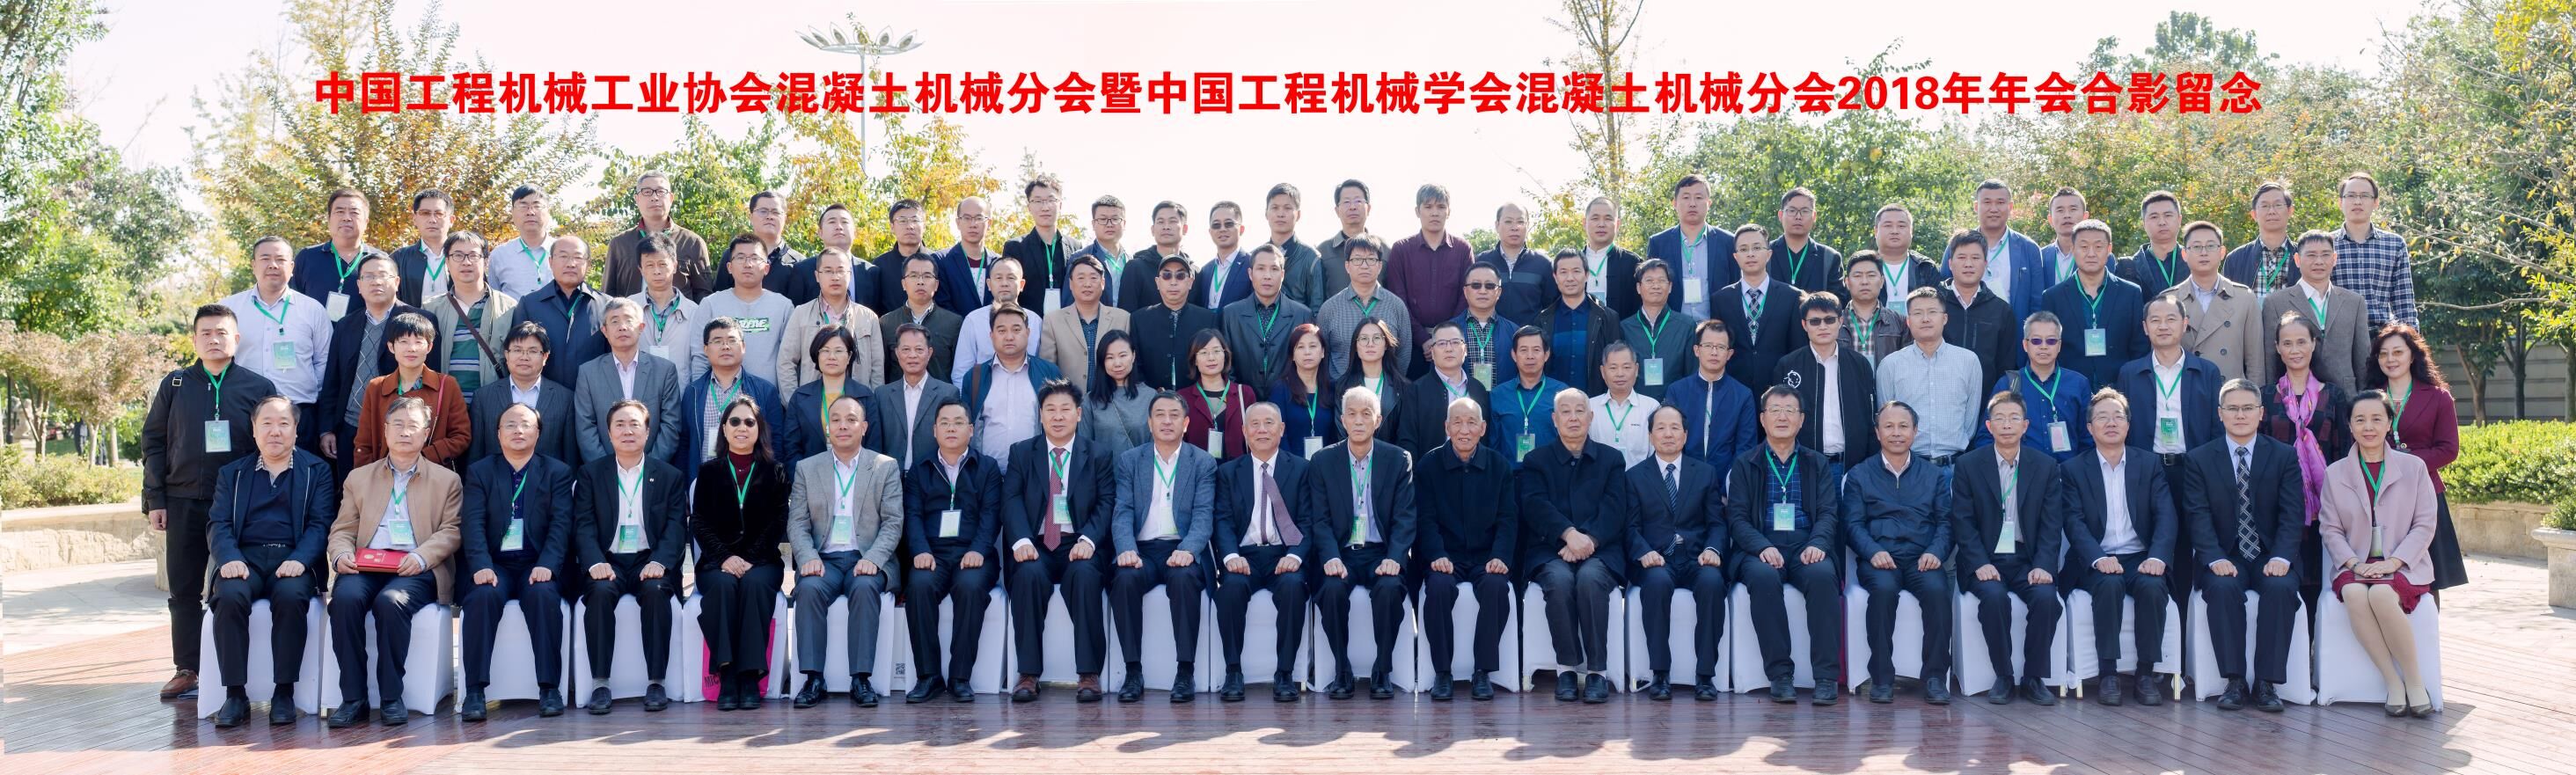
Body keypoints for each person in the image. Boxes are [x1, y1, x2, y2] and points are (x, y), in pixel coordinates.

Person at [144, 304, 280, 701]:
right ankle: (187, 669)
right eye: (205, 333)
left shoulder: (259, 387)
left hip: (239, 505)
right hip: (183, 499)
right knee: (184, 589)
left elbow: (273, 444)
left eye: (221, 332)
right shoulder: (175, 384)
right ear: (194, 340)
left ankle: (238, 673)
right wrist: (156, 498)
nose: (214, 339)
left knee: (235, 588)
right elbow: (154, 442)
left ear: (236, 339)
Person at [323, 397, 462, 727]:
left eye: (413, 426)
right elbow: (342, 529)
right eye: (397, 424)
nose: (404, 432)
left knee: (391, 602)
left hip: (416, 567)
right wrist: (341, 554)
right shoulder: (359, 478)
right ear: (384, 431)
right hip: (366, 565)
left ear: (426, 434)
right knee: (344, 599)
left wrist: (422, 556)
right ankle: (353, 698)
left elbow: (451, 531)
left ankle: (390, 697)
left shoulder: (447, 481)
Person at [204, 398, 333, 727]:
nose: (275, 431)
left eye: (283, 423)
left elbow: (321, 524)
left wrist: (301, 559)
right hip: (244, 559)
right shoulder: (232, 473)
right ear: (254, 429)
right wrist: (229, 558)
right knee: (229, 597)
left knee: (291, 596)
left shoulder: (316, 471)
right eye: (267, 423)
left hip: (292, 558)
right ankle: (235, 695)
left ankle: (284, 692)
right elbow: (218, 523)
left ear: (296, 429)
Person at [2178, 378, 2306, 712]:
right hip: (2224, 554)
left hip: (2269, 554)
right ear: (2220, 413)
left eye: (2247, 408)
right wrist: (2213, 557)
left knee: (2281, 588)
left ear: (2261, 413)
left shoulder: (2284, 456)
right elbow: (2197, 515)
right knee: (2222, 588)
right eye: (2232, 409)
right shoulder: (2199, 459)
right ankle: (2234, 681)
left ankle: (2266, 683)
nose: (2240, 415)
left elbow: (2293, 514)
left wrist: (2282, 557)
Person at [2319, 390, 2441, 718]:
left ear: (2389, 423)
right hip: (2355, 562)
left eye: (2377, 419)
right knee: (2355, 594)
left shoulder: (2414, 467)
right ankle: (2393, 682)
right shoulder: (2335, 473)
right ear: (2350, 426)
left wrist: (2394, 562)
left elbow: (2425, 523)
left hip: (2403, 563)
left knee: (2382, 595)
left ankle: (2414, 682)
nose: (2368, 427)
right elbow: (2330, 529)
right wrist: (2355, 563)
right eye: (2360, 420)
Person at [787, 394, 905, 709]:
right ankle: (813, 679)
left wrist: (873, 559)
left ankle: (861, 679)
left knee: (865, 588)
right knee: (808, 589)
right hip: (823, 560)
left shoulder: (884, 467)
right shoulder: (807, 468)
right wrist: (808, 557)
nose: (843, 426)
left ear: (863, 427)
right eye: (836, 420)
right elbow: (797, 523)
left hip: (865, 558)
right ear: (827, 427)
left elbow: (893, 522)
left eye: (851, 420)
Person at [457, 402, 574, 720]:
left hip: (537, 562)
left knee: (543, 595)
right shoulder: (480, 471)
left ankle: (549, 688)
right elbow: (472, 523)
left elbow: (561, 524)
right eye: (510, 425)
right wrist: (481, 565)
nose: (518, 430)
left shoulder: (557, 472)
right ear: (498, 434)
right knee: (482, 596)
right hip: (494, 563)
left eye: (525, 425)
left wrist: (548, 564)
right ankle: (475, 692)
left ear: (538, 433)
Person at [1519, 388, 1637, 704]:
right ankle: (1567, 669)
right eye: (1566, 412)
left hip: (1601, 547)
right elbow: (1534, 505)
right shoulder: (1536, 461)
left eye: (1579, 411)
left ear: (1591, 416)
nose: (1573, 418)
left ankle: (1597, 671)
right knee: (1558, 581)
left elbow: (1615, 508)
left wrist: (1589, 539)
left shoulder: (1611, 459)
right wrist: (1568, 534)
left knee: (1590, 579)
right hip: (1551, 548)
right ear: (1555, 419)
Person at [2060, 389, 2177, 706]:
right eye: (2102, 417)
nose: (2111, 423)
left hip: (2140, 556)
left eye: (2118, 417)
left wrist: (2158, 557)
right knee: (2109, 585)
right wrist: (2098, 558)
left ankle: (2145, 674)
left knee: (2153, 586)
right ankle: (2108, 674)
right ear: (2090, 427)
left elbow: (2166, 515)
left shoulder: (2148, 464)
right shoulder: (2074, 469)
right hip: (2095, 558)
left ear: (2128, 424)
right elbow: (2073, 522)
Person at [1002, 383, 1117, 702]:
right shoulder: (1022, 453)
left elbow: (1106, 502)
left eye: (1065, 409)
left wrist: (1089, 539)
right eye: (1050, 410)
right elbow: (1011, 499)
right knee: (1027, 575)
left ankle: (1089, 674)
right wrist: (1021, 540)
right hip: (1036, 542)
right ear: (1040, 415)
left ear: (1078, 414)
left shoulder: (1098, 455)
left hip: (1078, 542)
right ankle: (1028, 674)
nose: (1058, 416)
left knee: (1085, 575)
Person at [572, 400, 689, 715]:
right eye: (620, 425)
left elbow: (676, 526)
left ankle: (656, 682)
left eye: (635, 424)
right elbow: (583, 525)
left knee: (655, 591)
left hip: (649, 559)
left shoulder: (669, 475)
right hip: (607, 560)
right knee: (599, 593)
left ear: (648, 432)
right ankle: (600, 684)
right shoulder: (591, 474)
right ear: (609, 433)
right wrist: (595, 562)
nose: (627, 431)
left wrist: (660, 561)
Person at [1729, 386, 1843, 705]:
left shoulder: (1816, 463)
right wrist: (1761, 546)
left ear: (1801, 419)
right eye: (1775, 410)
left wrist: (1818, 543)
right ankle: (1780, 675)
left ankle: (1826, 678)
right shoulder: (1746, 463)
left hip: (1807, 544)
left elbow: (1829, 512)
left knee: (1823, 577)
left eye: (1790, 410)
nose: (1782, 417)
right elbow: (1737, 518)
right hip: (1762, 545)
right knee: (1763, 578)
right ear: (1762, 419)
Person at [1950, 392, 2065, 706]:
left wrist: (2043, 564)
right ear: (1989, 426)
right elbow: (1962, 522)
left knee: (2047, 600)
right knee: (1994, 598)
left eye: (2014, 418)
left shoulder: (2045, 466)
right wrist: (1979, 563)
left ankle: (2033, 677)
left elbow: (2051, 524)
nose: (2007, 425)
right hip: (1986, 559)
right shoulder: (1968, 465)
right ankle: (2003, 676)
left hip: (2028, 559)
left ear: (2025, 426)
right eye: (1999, 419)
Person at [1841, 401, 1957, 705]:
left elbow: (1946, 522)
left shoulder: (1934, 475)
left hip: (1922, 559)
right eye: (1888, 426)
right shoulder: (1859, 475)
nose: (1896, 433)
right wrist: (1873, 551)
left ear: (1915, 432)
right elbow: (1852, 524)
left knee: (1938, 592)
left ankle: (1935, 678)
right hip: (1881, 559)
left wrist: (1936, 552)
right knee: (1882, 592)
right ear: (1877, 432)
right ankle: (1881, 678)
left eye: (1903, 426)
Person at [1306, 386, 1416, 700]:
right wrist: (1330, 556)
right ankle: (1342, 670)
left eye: (1366, 414)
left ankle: (1383, 670)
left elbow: (1405, 517)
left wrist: (1395, 557)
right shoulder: (1323, 461)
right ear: (1342, 420)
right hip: (1341, 553)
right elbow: (1320, 519)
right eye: (1352, 414)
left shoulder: (1398, 459)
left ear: (1378, 421)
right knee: (1331, 589)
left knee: (1390, 588)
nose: (1358, 421)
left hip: (1381, 552)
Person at [1109, 392, 1217, 703]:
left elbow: (1203, 515)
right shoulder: (1130, 460)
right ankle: (1133, 671)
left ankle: (1185, 671)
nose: (1167, 421)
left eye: (1174, 415)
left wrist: (1189, 549)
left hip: (1180, 548)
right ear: (1149, 422)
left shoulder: (1202, 462)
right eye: (1160, 415)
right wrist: (1126, 549)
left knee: (1184, 579)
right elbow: (1123, 511)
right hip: (1141, 550)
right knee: (1124, 579)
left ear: (1186, 423)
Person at [1206, 402, 1314, 702]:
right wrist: (1230, 556)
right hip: (1245, 556)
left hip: (1285, 553)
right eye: (1254, 424)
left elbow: (1309, 520)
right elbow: (1222, 520)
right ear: (1244, 431)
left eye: (1269, 423)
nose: (1262, 430)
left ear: (1282, 429)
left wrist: (1295, 555)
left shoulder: (1302, 469)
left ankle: (1285, 673)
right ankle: (1233, 671)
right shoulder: (1228, 472)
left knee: (1293, 588)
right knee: (1230, 590)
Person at [1416, 398, 1519, 701]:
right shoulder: (1428, 466)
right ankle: (1442, 673)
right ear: (1446, 427)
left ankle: (1482, 672)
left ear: (1483, 428)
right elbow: (1425, 519)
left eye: (1471, 422)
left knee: (1496, 587)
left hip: (1486, 556)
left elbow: (1508, 519)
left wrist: (1500, 556)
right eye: (1457, 423)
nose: (1464, 430)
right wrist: (1436, 555)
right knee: (1438, 588)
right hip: (1445, 556)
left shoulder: (1499, 466)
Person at [691, 398, 789, 710]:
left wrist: (750, 559)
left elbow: (779, 522)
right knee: (722, 586)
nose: (742, 427)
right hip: (716, 562)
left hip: (762, 562)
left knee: (754, 585)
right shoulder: (708, 472)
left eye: (749, 422)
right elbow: (699, 522)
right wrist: (725, 558)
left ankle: (750, 675)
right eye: (735, 421)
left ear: (759, 429)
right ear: (724, 429)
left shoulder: (776, 471)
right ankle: (727, 673)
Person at [902, 400, 1004, 703]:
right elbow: (912, 515)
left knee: (970, 587)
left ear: (971, 430)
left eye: (958, 422)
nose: (951, 428)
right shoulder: (920, 469)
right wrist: (920, 550)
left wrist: (979, 549)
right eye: (944, 423)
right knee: (918, 586)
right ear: (934, 430)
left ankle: (960, 677)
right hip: (932, 553)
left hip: (973, 553)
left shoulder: (987, 468)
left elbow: (991, 515)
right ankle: (929, 676)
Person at [1626, 405, 1728, 702]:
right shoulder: (1634, 476)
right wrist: (1643, 552)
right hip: (1657, 559)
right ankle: (1660, 673)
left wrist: (1713, 549)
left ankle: (1705, 675)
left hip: (1697, 557)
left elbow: (1717, 523)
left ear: (1685, 435)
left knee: (1712, 582)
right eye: (1660, 428)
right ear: (1650, 436)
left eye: (1674, 428)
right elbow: (1629, 527)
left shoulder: (1705, 473)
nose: (1668, 434)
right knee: (1656, 584)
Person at [2363, 324, 2465, 590]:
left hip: (2424, 491)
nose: (2391, 359)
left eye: (2398, 352)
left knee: (2429, 579)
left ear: (2412, 355)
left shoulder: (2439, 397)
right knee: (2383, 576)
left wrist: (2407, 463)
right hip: (2379, 493)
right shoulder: (2368, 397)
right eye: (2383, 354)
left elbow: (2449, 449)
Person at [318, 254, 434, 478]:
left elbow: (431, 378)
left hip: (400, 429)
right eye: (369, 277)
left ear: (397, 282)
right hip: (351, 426)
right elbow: (333, 379)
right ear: (359, 285)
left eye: (383, 275)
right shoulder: (345, 325)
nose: (376, 282)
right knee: (354, 490)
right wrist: (327, 428)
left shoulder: (420, 321)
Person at [2263, 314, 2353, 597]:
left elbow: (2343, 451)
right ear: (2277, 348)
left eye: (2301, 342)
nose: (2295, 350)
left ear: (2314, 344)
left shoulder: (2334, 396)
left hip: (2325, 502)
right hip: (2279, 503)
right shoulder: (2265, 397)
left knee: (2320, 583)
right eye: (2287, 343)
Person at [223, 237, 332, 452]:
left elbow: (324, 361)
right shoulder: (229, 309)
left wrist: (311, 397)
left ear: (292, 267)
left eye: (280, 259)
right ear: (253, 265)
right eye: (265, 259)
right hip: (245, 413)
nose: (273, 265)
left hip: (299, 414)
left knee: (299, 473)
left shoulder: (313, 309)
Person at [2116, 296, 2225, 506]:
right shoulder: (2129, 374)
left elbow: (2217, 427)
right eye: (2155, 320)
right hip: (2147, 470)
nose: (2163, 326)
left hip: (2195, 470)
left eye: (2171, 319)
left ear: (2184, 324)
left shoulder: (2207, 372)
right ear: (2145, 328)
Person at [1775, 292, 1879, 481]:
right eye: (1815, 321)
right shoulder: (1788, 365)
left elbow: (1871, 418)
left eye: (1829, 320)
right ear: (1804, 325)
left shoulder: (1860, 365)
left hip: (1852, 468)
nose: (1823, 326)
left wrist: (1869, 465)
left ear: (1840, 321)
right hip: (1801, 467)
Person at [1877, 288, 1983, 466]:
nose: (1925, 319)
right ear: (1908, 321)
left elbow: (1970, 422)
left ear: (1945, 318)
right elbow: (1886, 420)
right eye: (1918, 313)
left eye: (1932, 312)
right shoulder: (1890, 365)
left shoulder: (1968, 361)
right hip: (1909, 467)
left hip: (1955, 466)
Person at [352, 312, 472, 468]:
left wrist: (424, 457)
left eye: (419, 342)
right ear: (391, 347)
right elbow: (364, 442)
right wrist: (368, 475)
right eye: (404, 341)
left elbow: (461, 436)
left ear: (429, 347)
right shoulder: (376, 387)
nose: (412, 348)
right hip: (384, 472)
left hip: (430, 472)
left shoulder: (447, 385)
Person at [2039, 219, 2149, 389]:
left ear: (2109, 249)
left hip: (2120, 389)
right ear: (2073, 249)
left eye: (2098, 247)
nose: (2091, 253)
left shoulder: (2131, 293)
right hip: (2069, 389)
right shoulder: (2053, 297)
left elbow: (2139, 347)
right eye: (2084, 247)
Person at [2261, 230, 2375, 395]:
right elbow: (2270, 358)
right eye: (2311, 255)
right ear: (2297, 260)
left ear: (2334, 259)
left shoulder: (2354, 302)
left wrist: (2364, 397)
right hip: (2293, 396)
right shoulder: (2276, 302)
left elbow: (2362, 357)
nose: (2319, 261)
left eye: (2325, 255)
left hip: (2345, 394)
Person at [574, 299, 684, 465]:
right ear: (604, 331)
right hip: (604, 470)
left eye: (628, 320)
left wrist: (649, 467)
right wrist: (606, 469)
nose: (622, 327)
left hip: (653, 469)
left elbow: (671, 425)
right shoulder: (588, 372)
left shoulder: (664, 371)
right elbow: (585, 427)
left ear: (641, 327)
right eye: (615, 321)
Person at [673, 318, 786, 481]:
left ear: (743, 347)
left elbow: (775, 442)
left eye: (732, 341)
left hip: (749, 484)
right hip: (703, 482)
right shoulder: (694, 392)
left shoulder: (765, 391)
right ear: (706, 349)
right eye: (717, 341)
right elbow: (684, 443)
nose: (725, 346)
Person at [2158, 221, 2265, 383]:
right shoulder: (2169, 300)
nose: (2204, 253)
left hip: (2231, 393)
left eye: (2210, 246)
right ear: (2184, 254)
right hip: (2185, 389)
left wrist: (2255, 395)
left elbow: (2255, 362)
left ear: (2222, 252)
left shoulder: (2244, 298)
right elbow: (2160, 355)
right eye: (2196, 247)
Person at [1977, 311, 2093, 461]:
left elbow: (2088, 438)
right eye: (2036, 341)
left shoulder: (2078, 384)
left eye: (2051, 341)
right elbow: (1986, 436)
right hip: (2022, 471)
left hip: (2067, 471)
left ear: (2059, 345)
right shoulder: (2008, 383)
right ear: (2025, 345)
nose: (2043, 346)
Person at [961, 307, 1061, 464]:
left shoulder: (1049, 373)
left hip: (1035, 470)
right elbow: (965, 426)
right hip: (987, 472)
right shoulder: (974, 376)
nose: (1009, 337)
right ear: (991, 336)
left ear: (1028, 333)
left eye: (1016, 330)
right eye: (1002, 331)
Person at [509, 235, 608, 391]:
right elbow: (518, 353)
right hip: (543, 396)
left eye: (578, 257)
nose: (571, 263)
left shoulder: (606, 305)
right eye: (563, 256)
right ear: (550, 262)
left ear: (588, 264)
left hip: (592, 395)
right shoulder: (529, 304)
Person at [424, 231, 516, 400]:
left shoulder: (509, 308)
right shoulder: (431, 309)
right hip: (445, 405)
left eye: (473, 255)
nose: (466, 262)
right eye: (458, 255)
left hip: (493, 403)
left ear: (486, 262)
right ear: (447, 262)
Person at [777, 248, 884, 390]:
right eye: (828, 271)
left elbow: (877, 369)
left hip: (857, 400)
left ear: (850, 275)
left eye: (841, 270)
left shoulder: (868, 317)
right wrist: (796, 401)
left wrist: (871, 401)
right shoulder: (801, 313)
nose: (835, 277)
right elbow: (786, 363)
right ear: (817, 276)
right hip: (813, 400)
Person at [1386, 185, 1474, 355]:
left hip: (1453, 343)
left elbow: (1467, 295)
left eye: (1441, 207)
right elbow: (1397, 299)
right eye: (1428, 207)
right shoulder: (1401, 250)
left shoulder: (1463, 249)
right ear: (1417, 211)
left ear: (1449, 212)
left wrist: (1444, 339)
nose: (1435, 213)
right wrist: (1422, 339)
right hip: (1410, 343)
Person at [701, 235, 798, 388]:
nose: (748, 264)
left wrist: (787, 398)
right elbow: (700, 357)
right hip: (719, 397)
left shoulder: (784, 307)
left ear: (766, 268)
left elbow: (789, 360)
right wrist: (700, 395)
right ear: (729, 267)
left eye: (755, 258)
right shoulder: (710, 304)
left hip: (769, 397)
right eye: (740, 258)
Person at [1316, 234, 1416, 382]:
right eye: (1357, 260)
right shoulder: (1329, 309)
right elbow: (1323, 354)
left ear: (1380, 266)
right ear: (1347, 266)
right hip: (1341, 391)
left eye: (1371, 259)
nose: (1364, 265)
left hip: (1387, 391)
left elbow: (1404, 353)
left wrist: (1392, 385)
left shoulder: (1396, 306)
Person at [1714, 224, 1803, 390]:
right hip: (1734, 390)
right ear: (1736, 257)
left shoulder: (1792, 297)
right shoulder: (1721, 299)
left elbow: (1797, 349)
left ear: (1768, 254)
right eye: (1743, 249)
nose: (1750, 254)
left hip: (1780, 389)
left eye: (1756, 248)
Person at [602, 171, 714, 300]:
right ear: (637, 199)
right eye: (647, 192)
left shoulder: (692, 242)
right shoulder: (620, 244)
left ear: (671, 198)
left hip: (680, 313)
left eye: (661, 191)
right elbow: (608, 294)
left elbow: (704, 295)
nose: (654, 197)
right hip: (632, 313)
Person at [1665, 320, 1759, 469]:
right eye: (1708, 346)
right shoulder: (1677, 391)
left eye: (1721, 347)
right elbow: (1670, 441)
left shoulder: (1743, 395)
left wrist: (1731, 480)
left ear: (1729, 354)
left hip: (1727, 478)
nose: (1714, 352)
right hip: (1684, 475)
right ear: (1697, 350)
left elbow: (1745, 447)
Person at [289, 188, 395, 317]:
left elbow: (388, 307)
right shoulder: (307, 257)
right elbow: (291, 303)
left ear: (366, 222)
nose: (346, 218)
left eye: (354, 212)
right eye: (340, 212)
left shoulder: (380, 261)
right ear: (329, 219)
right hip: (312, 330)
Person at [2331, 172, 2418, 327]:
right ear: (2340, 202)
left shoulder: (2394, 244)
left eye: (2365, 196)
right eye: (2351, 195)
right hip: (2339, 334)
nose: (2357, 201)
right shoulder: (2325, 245)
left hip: (2382, 334)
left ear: (2376, 202)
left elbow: (2404, 303)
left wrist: (2411, 339)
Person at [1938, 229, 2021, 393]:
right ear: (1950, 263)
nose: (1968, 264)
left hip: (1986, 400)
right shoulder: (1934, 304)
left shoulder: (2001, 310)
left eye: (1975, 258)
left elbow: (2007, 366)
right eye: (1962, 257)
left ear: (1985, 263)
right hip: (1939, 397)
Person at [873, 324, 962, 472]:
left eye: (919, 349)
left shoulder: (948, 393)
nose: (912, 355)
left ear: (929, 353)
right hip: (891, 476)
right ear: (897, 353)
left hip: (932, 475)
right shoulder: (882, 395)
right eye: (906, 349)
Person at [1647, 175, 1738, 319]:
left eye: (1699, 197)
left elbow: (1736, 287)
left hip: (1716, 327)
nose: (1692, 204)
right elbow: (1651, 290)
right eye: (1686, 197)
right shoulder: (1658, 243)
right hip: (1673, 327)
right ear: (1675, 203)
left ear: (1709, 203)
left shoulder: (1728, 242)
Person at [1221, 245, 1312, 389]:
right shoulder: (1231, 314)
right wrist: (1239, 395)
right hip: (1243, 397)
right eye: (1261, 268)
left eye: (1274, 269)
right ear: (1250, 274)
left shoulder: (1302, 314)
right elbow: (1226, 363)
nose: (1267, 276)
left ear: (1282, 275)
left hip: (1289, 396)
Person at [1401, 320, 1497, 456]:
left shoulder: (1478, 389)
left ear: (1465, 350)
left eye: (1455, 342)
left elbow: (1486, 437)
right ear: (1432, 352)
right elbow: (1407, 440)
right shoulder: (1416, 391)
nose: (1449, 349)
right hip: (1432, 467)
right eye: (1441, 343)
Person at [1536, 247, 1622, 394]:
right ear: (1555, 277)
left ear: (1587, 275)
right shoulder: (1543, 320)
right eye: (1563, 272)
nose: (1570, 278)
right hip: (1554, 403)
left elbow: (1617, 363)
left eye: (1576, 271)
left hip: (1596, 401)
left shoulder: (1607, 318)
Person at [1043, 255, 1132, 391]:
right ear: (1071, 284)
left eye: (1093, 278)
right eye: (1081, 278)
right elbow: (1047, 369)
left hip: (1112, 398)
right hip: (1070, 400)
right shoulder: (1053, 321)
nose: (1087, 284)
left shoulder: (1123, 318)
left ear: (1103, 283)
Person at [782, 326, 871, 463]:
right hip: (810, 473)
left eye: (838, 351)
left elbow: (873, 446)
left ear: (849, 356)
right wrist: (802, 475)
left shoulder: (865, 396)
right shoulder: (800, 397)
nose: (831, 357)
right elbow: (791, 448)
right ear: (817, 355)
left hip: (857, 473)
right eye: (825, 351)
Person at [1133, 253, 1222, 390]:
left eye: (1180, 276)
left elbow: (1215, 362)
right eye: (1167, 276)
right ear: (1157, 282)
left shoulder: (1208, 319)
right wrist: (1149, 394)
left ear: (1190, 282)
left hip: (1197, 397)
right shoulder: (1139, 319)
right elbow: (1135, 365)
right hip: (1151, 399)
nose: (1173, 282)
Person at [953, 258, 1046, 385]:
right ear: (989, 284)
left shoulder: (1035, 321)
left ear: (1022, 284)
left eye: (1011, 278)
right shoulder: (973, 320)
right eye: (998, 278)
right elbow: (961, 373)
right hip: (984, 394)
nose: (1004, 283)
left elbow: (1042, 369)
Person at [627, 234, 709, 380]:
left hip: (681, 390)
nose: (657, 271)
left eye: (662, 264)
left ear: (675, 266)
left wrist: (694, 391)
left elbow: (700, 360)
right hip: (638, 391)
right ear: (641, 270)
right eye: (650, 265)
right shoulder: (629, 308)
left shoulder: (694, 312)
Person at [1493, 325, 1575, 468]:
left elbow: (1570, 438)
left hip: (1551, 474)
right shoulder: (1498, 394)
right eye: (1523, 350)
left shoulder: (1562, 392)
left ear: (1546, 355)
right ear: (1514, 355)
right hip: (1510, 476)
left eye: (1536, 350)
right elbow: (1493, 443)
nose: (1530, 356)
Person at [1622, 259, 1704, 401]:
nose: (1656, 286)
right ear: (1638, 288)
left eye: (1661, 281)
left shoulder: (1686, 326)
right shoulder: (1625, 328)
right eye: (1649, 281)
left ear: (1670, 287)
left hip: (1675, 406)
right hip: (1635, 407)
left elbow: (1692, 375)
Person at [1969, 179, 2049, 321]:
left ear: (2010, 207)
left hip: (2014, 330)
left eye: (2000, 202)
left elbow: (2037, 303)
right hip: (1968, 329)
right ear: (1976, 206)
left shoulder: (2029, 249)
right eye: (1987, 202)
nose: (1994, 209)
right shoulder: (1959, 245)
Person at [880, 253, 966, 384]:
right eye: (913, 276)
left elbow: (959, 371)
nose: (920, 281)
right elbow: (883, 371)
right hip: (898, 395)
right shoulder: (887, 323)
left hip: (941, 395)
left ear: (936, 284)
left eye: (927, 276)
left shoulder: (954, 323)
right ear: (903, 284)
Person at [714, 190, 809, 302]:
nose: (769, 216)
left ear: (785, 218)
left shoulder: (800, 263)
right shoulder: (732, 255)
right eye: (763, 211)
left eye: (776, 212)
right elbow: (719, 300)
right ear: (751, 216)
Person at [1004, 175, 1080, 314]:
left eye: (1051, 200)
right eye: (1038, 201)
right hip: (1029, 321)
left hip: (1068, 322)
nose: (1045, 207)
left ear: (1060, 205)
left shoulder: (1075, 247)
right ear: (1029, 207)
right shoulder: (1015, 247)